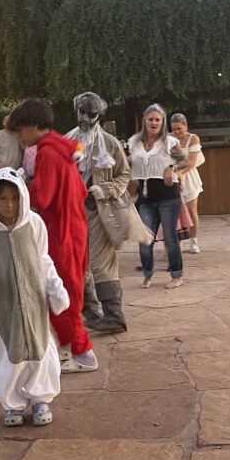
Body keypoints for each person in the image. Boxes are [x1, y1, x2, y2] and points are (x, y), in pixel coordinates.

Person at [0, 168, 69, 426]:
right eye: (2, 198)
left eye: (14, 198)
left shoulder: (34, 223)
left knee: (39, 348)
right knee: (7, 352)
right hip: (5, 302)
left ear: (23, 196)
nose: (9, 205)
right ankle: (11, 404)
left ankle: (40, 399)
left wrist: (55, 288)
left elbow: (43, 258)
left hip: (34, 300)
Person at [8, 97, 98, 373]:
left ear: (32, 125)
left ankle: (82, 353)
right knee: (65, 289)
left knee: (60, 291)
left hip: (60, 231)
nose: (20, 137)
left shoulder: (47, 152)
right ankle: (71, 347)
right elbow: (79, 190)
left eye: (20, 130)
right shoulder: (63, 147)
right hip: (73, 226)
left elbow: (42, 196)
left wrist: (17, 189)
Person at [65, 92, 132, 334]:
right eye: (82, 112)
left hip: (99, 210)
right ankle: (90, 312)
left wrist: (105, 189)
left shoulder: (110, 143)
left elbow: (124, 174)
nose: (86, 118)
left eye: (91, 114)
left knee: (101, 261)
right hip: (72, 210)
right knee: (77, 262)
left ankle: (114, 315)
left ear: (99, 115)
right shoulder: (67, 140)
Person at [128, 103, 186, 289]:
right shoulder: (134, 142)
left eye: (157, 120)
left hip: (168, 196)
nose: (154, 123)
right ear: (144, 121)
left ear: (162, 122)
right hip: (145, 198)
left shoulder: (169, 142)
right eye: (150, 119)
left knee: (170, 238)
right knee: (145, 240)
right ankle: (147, 273)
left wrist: (171, 167)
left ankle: (176, 275)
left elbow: (183, 159)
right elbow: (129, 165)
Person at [170, 112, 204, 253]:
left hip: (189, 177)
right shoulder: (168, 138)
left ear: (185, 126)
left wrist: (180, 171)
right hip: (172, 176)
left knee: (191, 210)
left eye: (179, 129)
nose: (177, 132)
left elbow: (191, 162)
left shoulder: (193, 138)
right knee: (175, 212)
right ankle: (176, 242)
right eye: (174, 129)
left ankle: (193, 240)